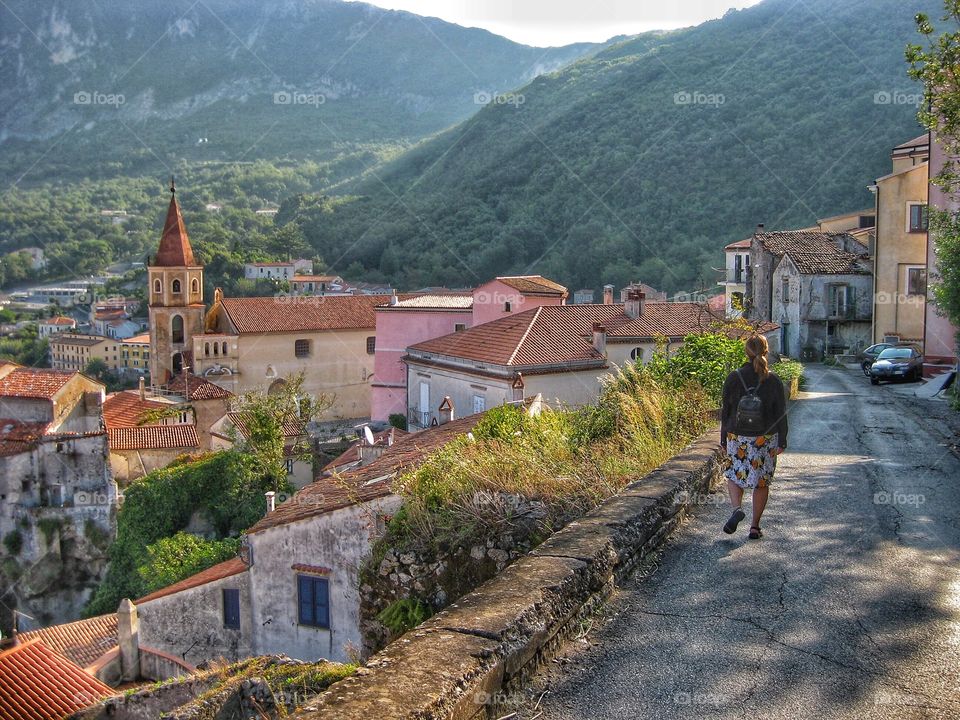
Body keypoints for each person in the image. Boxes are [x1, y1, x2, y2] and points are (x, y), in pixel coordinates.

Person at [719, 334, 788, 539]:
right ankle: (755, 527)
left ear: (746, 351)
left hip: (737, 436)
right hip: (764, 438)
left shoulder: (733, 377)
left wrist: (724, 439)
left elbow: (727, 410)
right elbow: (781, 412)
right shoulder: (773, 379)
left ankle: (736, 509)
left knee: (734, 475)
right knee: (761, 482)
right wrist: (782, 440)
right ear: (765, 351)